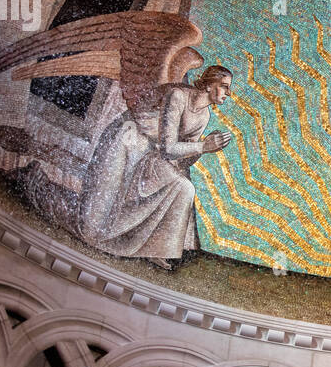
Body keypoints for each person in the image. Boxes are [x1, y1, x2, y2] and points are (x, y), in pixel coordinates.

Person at [77, 65, 233, 268]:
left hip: (152, 154)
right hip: (127, 141)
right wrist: (202, 145)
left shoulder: (204, 116)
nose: (228, 93)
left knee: (185, 188)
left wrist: (203, 150)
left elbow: (182, 159)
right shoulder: (178, 96)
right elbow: (168, 147)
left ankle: (157, 247)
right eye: (224, 86)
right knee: (93, 225)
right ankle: (106, 232)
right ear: (208, 84)